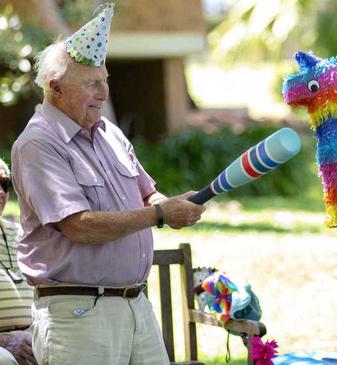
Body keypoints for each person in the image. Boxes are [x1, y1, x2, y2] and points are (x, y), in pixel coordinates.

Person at [10, 4, 205, 364]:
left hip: (137, 307)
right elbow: (78, 227)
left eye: (106, 81)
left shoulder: (109, 133)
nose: (104, 93)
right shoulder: (39, 143)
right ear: (55, 88)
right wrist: (161, 214)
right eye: (92, 83)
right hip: (78, 315)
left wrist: (172, 204)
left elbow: (148, 194)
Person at [0, 158, 36, 365]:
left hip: (36, 337)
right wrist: (6, 341)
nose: (1, 193)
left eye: (5, 184)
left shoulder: (22, 235)